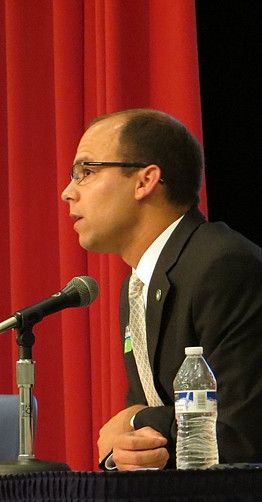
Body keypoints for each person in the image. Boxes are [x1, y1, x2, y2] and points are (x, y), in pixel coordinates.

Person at [61, 108, 262, 470]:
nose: (67, 192)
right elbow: (145, 433)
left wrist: (139, 421)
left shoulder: (223, 266)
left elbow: (241, 436)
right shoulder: (136, 286)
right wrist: (124, 452)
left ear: (145, 180)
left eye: (86, 172)